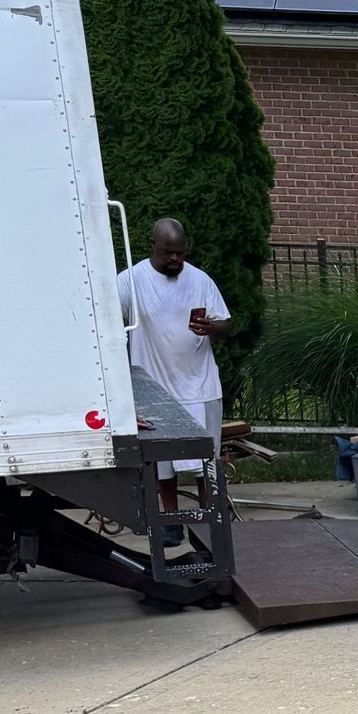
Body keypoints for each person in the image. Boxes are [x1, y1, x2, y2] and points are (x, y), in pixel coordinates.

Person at [116, 219, 230, 520]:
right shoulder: (131, 280)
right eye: (168, 253)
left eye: (180, 253)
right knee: (163, 463)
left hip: (200, 385)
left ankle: (210, 518)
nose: (175, 259)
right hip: (155, 388)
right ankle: (170, 521)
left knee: (207, 460)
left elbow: (226, 324)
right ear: (154, 246)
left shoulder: (201, 280)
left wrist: (212, 328)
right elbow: (109, 323)